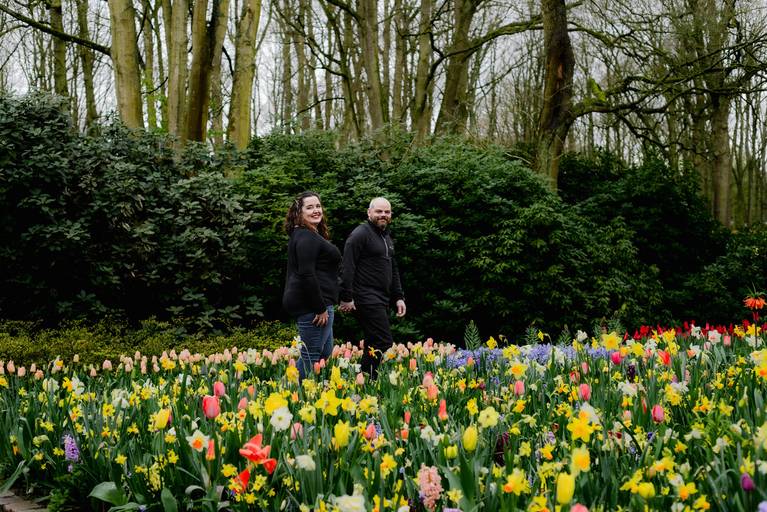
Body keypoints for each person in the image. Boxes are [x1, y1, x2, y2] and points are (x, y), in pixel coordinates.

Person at [339, 197, 406, 379]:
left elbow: (393, 268)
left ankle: (365, 382)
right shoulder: (360, 234)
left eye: (387, 212)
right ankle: (368, 380)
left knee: (373, 341)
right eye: (379, 211)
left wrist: (398, 297)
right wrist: (346, 296)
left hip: (382, 298)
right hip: (365, 296)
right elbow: (347, 266)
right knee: (383, 340)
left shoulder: (385, 237)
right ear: (369, 213)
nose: (383, 215)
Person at [282, 191, 342, 379]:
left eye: (318, 206)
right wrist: (320, 307)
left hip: (320, 303)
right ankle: (291, 392)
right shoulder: (305, 237)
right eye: (310, 207)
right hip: (313, 306)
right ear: (298, 212)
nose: (316, 210)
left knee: (324, 352)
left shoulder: (307, 235)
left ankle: (295, 388)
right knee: (312, 355)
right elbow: (306, 274)